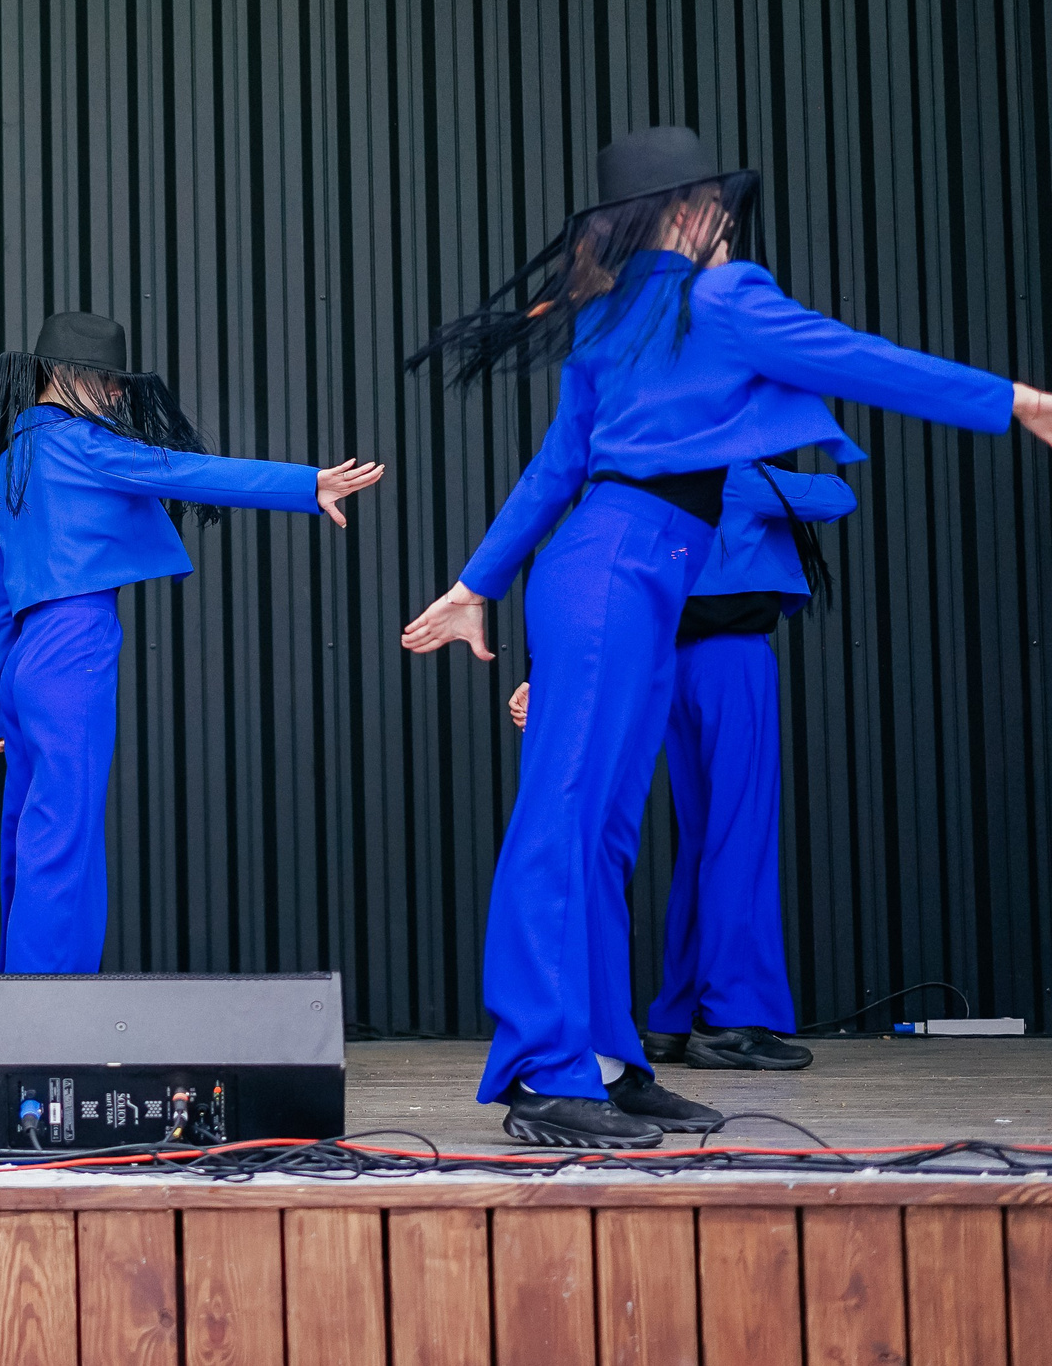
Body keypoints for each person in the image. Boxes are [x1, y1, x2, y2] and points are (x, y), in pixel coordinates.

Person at [405, 126, 1052, 1149]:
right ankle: (540, 1067)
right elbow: (853, 357)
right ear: (695, 211)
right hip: (616, 572)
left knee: (604, 830)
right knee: (565, 819)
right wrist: (1012, 400)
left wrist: (476, 586)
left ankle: (608, 1063)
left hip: (623, 574)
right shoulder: (717, 295)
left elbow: (550, 475)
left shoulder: (616, 317)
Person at [0, 311, 385, 973]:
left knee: (30, 836)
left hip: (23, 666)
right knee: (66, 840)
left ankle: (21, 1003)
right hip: (75, 644)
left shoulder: (6, 462)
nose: (120, 395)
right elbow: (182, 471)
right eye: (112, 383)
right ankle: (42, 1014)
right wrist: (307, 484)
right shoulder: (82, 446)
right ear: (70, 378)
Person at [509, 461, 852, 1075]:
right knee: (738, 836)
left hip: (660, 660)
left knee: (702, 840)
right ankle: (734, 1018)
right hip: (730, 660)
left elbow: (590, 575)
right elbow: (835, 495)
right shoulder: (735, 473)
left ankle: (675, 1018)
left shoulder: (640, 486)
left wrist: (547, 673)